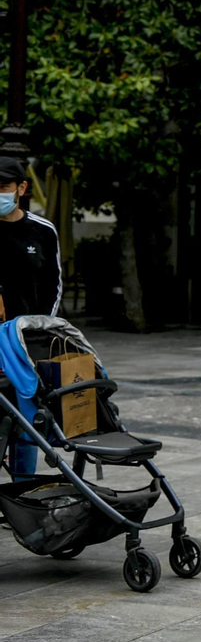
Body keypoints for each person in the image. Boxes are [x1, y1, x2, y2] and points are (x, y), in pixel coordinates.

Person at [0, 155, 62, 481]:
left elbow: (55, 284)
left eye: (3, 187)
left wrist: (37, 332)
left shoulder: (42, 230)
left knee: (26, 417)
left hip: (26, 345)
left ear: (22, 188)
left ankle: (21, 492)